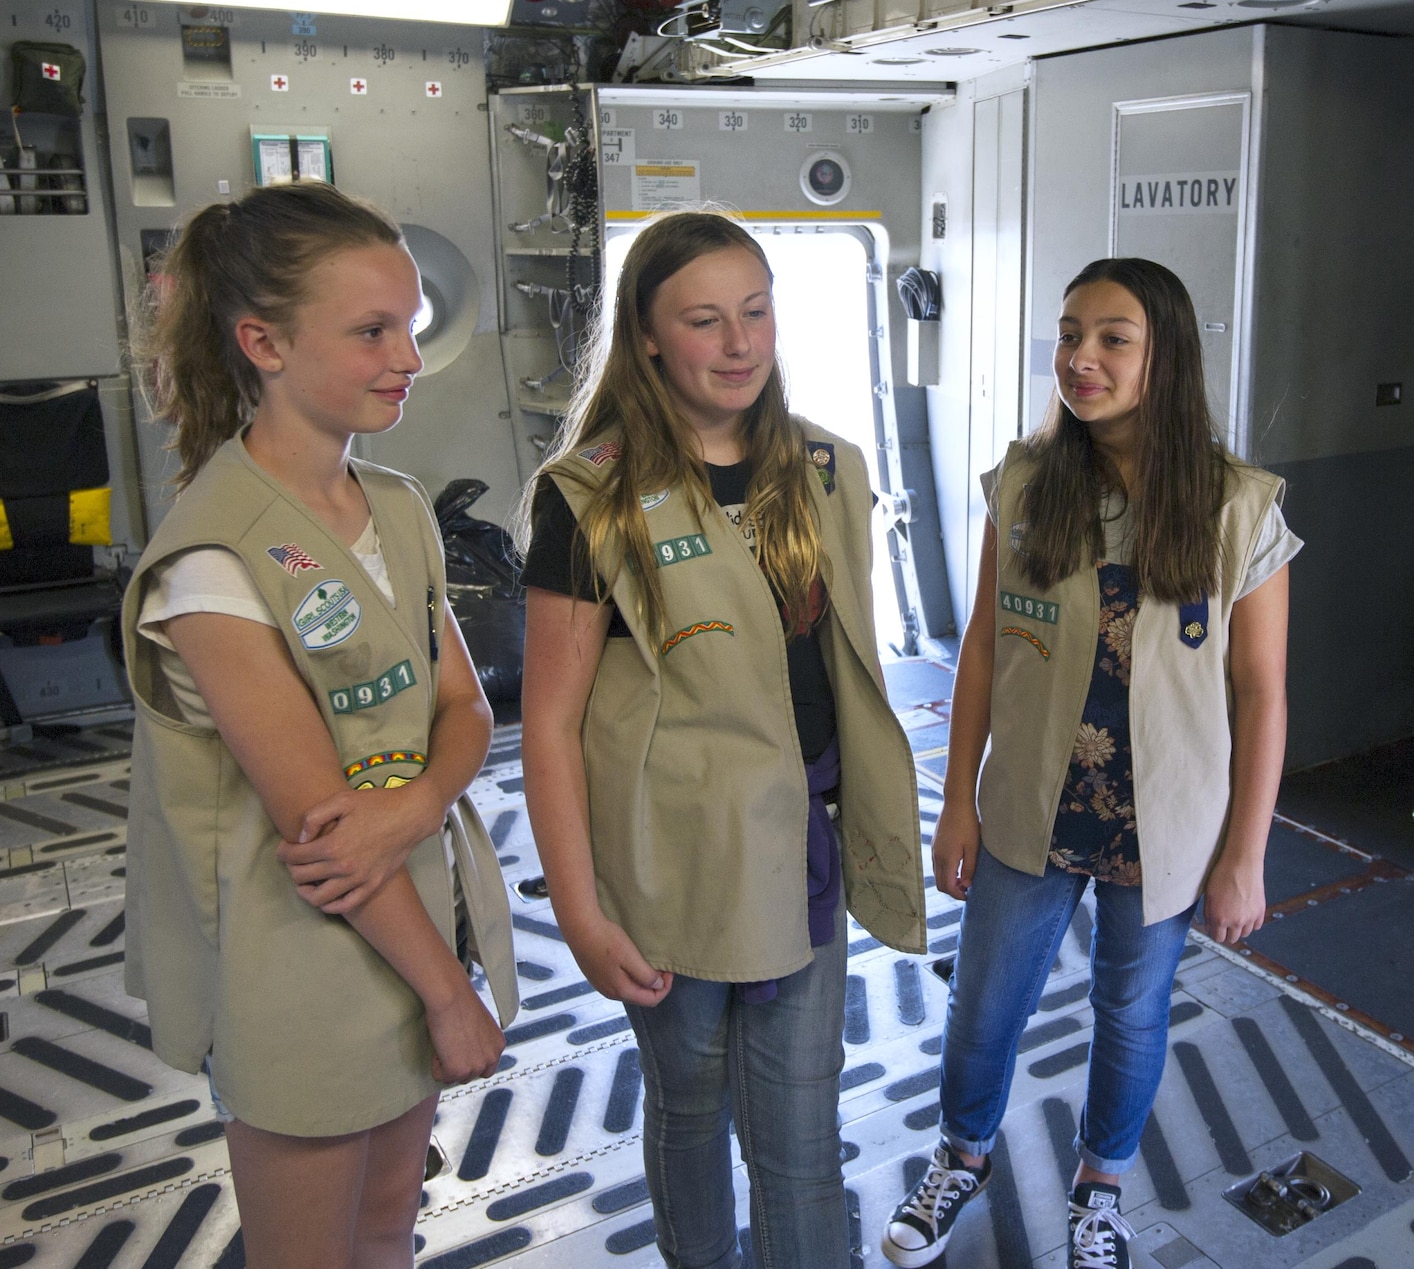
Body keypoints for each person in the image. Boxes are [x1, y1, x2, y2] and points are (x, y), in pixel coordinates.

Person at [517, 209, 926, 1269]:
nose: (740, 343)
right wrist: (578, 907)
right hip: (671, 863)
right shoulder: (592, 495)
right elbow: (551, 723)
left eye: (756, 312)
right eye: (704, 320)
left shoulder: (826, 468)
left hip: (801, 852)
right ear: (647, 337)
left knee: (797, 1138)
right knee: (689, 1106)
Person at [122, 183, 518, 1268]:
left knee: (388, 1220)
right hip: (298, 963)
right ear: (264, 342)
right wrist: (450, 996)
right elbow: (316, 824)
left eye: (409, 323)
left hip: (410, 930)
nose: (406, 352)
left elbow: (465, 709)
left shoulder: (394, 507)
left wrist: (416, 809)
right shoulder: (216, 557)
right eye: (370, 330)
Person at [881, 258, 1298, 1269]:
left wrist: (1243, 855)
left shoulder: (1238, 505)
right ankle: (960, 1153)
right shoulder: (1026, 484)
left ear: (1165, 355)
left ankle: (1099, 1183)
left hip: (1162, 819)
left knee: (1131, 1008)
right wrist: (955, 805)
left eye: (1112, 337)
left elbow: (1260, 692)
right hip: (1030, 801)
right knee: (984, 1002)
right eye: (1070, 334)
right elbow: (979, 644)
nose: (1080, 357)